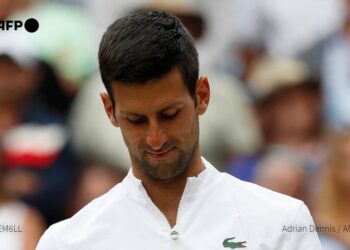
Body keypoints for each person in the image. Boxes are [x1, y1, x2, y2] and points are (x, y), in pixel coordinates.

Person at [36, 10, 322, 249]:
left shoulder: (280, 221)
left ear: (202, 95)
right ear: (109, 110)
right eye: (136, 120)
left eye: (170, 115)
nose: (156, 138)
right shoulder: (66, 242)